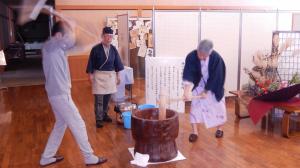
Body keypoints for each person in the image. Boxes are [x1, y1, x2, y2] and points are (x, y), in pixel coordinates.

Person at [40, 19, 107, 166]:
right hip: (60, 94)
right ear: (58, 36)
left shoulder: (56, 47)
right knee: (79, 124)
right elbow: (71, 43)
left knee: (60, 124)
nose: (70, 38)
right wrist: (72, 26)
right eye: (67, 35)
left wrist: (94, 39)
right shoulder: (51, 46)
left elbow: (78, 46)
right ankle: (89, 157)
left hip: (56, 93)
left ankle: (46, 157)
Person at [183, 39, 227, 142]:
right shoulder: (191, 56)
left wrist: (206, 91)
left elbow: (217, 76)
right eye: (199, 53)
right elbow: (188, 74)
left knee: (218, 107)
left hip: (213, 86)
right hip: (198, 84)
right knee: (195, 108)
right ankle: (194, 132)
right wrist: (187, 91)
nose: (201, 57)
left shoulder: (216, 58)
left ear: (210, 52)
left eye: (204, 55)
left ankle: (220, 129)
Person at [86, 27, 124, 128]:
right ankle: (99, 119)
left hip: (110, 76)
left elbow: (117, 63)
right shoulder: (95, 49)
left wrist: (118, 76)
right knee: (99, 99)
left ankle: (104, 114)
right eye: (107, 36)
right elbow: (91, 63)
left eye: (111, 36)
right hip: (99, 76)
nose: (109, 38)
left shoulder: (113, 49)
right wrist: (90, 75)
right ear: (103, 36)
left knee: (107, 98)